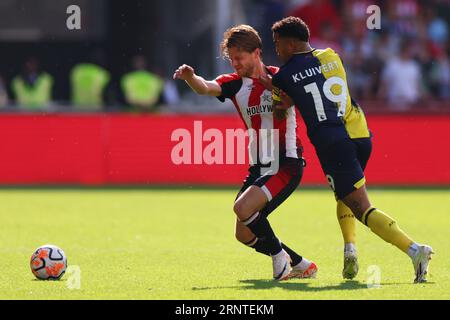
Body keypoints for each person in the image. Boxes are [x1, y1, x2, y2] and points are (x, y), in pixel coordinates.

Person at [266, 16, 433, 283]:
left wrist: (279, 92)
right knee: (344, 194)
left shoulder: (283, 76)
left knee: (362, 207)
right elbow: (319, 84)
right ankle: (350, 249)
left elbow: (279, 109)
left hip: (332, 143)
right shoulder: (332, 55)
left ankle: (415, 250)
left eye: (277, 44)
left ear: (291, 43)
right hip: (360, 133)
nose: (276, 50)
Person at [173, 25, 317, 281]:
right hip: (259, 166)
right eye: (231, 59)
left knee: (242, 207)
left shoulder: (281, 78)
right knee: (244, 234)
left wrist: (275, 88)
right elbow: (205, 87)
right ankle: (301, 264)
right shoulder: (234, 84)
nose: (235, 63)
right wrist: (190, 78)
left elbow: (298, 102)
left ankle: (278, 258)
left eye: (239, 57)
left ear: (257, 53)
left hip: (287, 162)